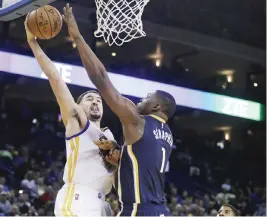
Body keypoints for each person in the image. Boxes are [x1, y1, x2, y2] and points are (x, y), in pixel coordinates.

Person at [62, 4, 176, 216]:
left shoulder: (138, 121)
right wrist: (121, 153)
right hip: (161, 210)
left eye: (146, 98)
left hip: (138, 211)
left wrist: (78, 37)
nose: (140, 100)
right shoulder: (167, 135)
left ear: (156, 106)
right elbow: (144, 162)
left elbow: (101, 78)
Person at [24, 16, 118, 216]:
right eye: (89, 99)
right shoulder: (77, 121)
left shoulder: (110, 137)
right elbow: (55, 78)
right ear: (78, 106)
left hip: (102, 203)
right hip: (78, 198)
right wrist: (33, 42)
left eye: (98, 100)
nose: (95, 101)